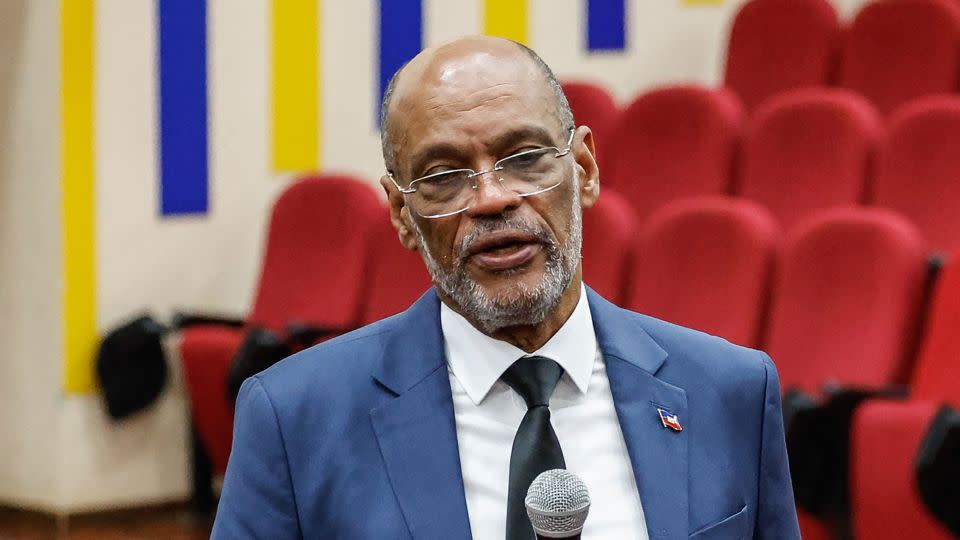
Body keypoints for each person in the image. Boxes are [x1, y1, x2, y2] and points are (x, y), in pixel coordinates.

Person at [211, 36, 801, 539]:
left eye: (524, 157)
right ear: (399, 213)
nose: (492, 198)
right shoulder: (294, 419)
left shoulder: (732, 393)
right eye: (443, 176)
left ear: (586, 169)